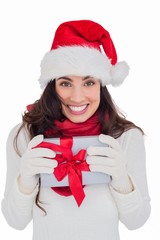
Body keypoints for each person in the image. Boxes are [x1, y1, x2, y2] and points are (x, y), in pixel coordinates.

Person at [1, 20, 151, 240]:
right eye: (65, 83)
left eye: (89, 83)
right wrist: (25, 181)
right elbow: (15, 223)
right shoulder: (24, 135)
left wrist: (121, 179)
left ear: (102, 85)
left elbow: (136, 222)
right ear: (52, 86)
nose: (77, 97)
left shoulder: (126, 137)